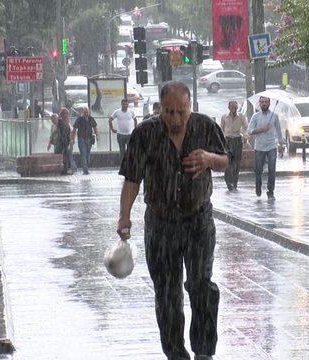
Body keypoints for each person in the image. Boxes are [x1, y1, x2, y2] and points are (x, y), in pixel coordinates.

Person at [117, 81, 229, 360]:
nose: (176, 119)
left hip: (198, 221)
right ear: (160, 108)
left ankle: (203, 352)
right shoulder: (145, 134)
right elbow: (132, 178)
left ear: (190, 106)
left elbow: (226, 160)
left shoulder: (205, 126)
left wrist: (208, 159)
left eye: (181, 111)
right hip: (160, 223)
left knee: (201, 285)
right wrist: (124, 217)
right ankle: (176, 353)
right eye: (169, 112)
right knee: (167, 293)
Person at [247, 96, 283, 199]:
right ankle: (258, 186)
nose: (264, 104)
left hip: (271, 146)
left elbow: (279, 131)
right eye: (262, 102)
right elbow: (249, 131)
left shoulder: (274, 116)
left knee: (272, 169)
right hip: (259, 147)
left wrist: (281, 144)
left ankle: (270, 191)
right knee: (258, 169)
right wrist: (262, 129)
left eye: (266, 102)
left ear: (269, 103)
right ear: (259, 103)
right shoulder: (256, 116)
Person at [220, 100, 248, 191]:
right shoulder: (224, 117)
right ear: (229, 108)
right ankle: (228, 182)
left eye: (236, 107)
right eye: (232, 107)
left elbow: (245, 127)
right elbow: (221, 129)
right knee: (228, 163)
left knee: (236, 163)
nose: (234, 109)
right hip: (228, 140)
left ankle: (234, 182)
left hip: (237, 140)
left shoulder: (241, 116)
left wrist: (245, 135)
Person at [72, 107, 98, 175]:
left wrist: (97, 135)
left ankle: (85, 166)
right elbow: (74, 129)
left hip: (89, 139)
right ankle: (85, 170)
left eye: (87, 112)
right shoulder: (79, 119)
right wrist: (73, 138)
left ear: (89, 112)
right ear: (82, 112)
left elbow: (95, 127)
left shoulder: (91, 118)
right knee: (83, 154)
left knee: (88, 155)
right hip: (81, 139)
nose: (86, 113)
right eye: (85, 112)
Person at [58, 108, 73, 175]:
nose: (66, 115)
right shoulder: (61, 121)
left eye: (67, 113)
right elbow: (61, 133)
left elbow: (69, 132)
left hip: (66, 142)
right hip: (62, 142)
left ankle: (66, 169)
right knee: (64, 156)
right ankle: (65, 169)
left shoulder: (66, 122)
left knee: (66, 156)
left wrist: (70, 140)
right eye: (65, 113)